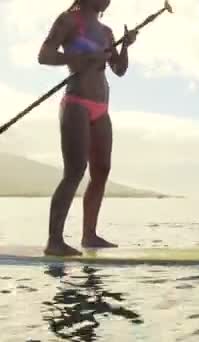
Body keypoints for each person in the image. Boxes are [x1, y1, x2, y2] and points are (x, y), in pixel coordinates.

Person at [38, 0, 138, 256]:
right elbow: (45, 55)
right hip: (76, 103)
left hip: (101, 107)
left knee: (102, 170)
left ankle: (89, 235)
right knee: (75, 171)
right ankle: (54, 241)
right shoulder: (69, 20)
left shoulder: (106, 32)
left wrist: (125, 46)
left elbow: (119, 69)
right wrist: (82, 59)